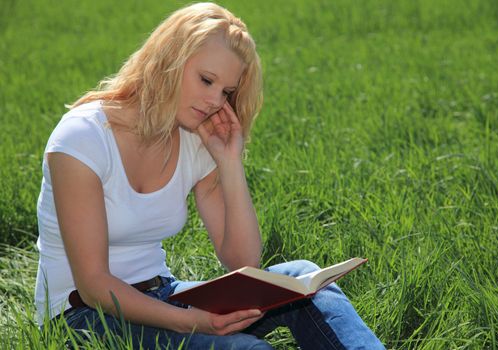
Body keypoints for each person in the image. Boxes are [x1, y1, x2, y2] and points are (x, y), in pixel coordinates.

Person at [35, 2, 385, 349]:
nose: (215, 101)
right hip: (81, 318)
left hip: (164, 295)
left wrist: (229, 161)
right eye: (206, 80)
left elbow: (242, 262)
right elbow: (93, 284)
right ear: (170, 58)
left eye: (226, 92)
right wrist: (192, 323)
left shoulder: (192, 137)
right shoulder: (82, 138)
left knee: (307, 284)